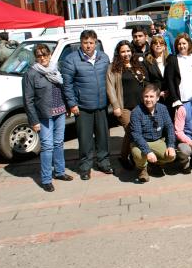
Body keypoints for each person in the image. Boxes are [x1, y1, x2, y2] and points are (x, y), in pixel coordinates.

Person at [60, 30, 114, 180]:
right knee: (85, 139)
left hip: (102, 105)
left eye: (91, 42)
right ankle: (85, 167)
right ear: (81, 43)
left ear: (96, 43)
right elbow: (67, 85)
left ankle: (104, 162)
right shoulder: (71, 60)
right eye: (85, 43)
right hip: (82, 106)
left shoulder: (104, 57)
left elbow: (110, 79)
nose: (88, 46)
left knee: (103, 137)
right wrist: (72, 104)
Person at [23, 44, 73, 192]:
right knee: (47, 146)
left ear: (50, 54)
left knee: (59, 143)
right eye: (39, 55)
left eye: (45, 54)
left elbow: (63, 88)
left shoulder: (56, 68)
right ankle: (46, 179)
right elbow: (28, 100)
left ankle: (60, 172)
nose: (43, 58)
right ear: (35, 57)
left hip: (60, 112)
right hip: (44, 116)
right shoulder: (31, 74)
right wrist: (34, 121)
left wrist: (67, 107)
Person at [106, 40, 147, 170]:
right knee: (131, 130)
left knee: (137, 132)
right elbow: (110, 87)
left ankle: (135, 156)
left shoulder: (137, 65)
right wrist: (115, 106)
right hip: (124, 107)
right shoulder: (113, 67)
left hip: (140, 106)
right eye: (123, 51)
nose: (126, 54)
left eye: (128, 51)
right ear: (118, 53)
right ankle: (124, 157)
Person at [129, 84, 176, 183]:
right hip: (140, 142)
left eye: (151, 96)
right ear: (143, 97)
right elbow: (136, 135)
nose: (148, 99)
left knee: (171, 156)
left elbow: (170, 127)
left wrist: (171, 145)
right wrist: (148, 152)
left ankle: (153, 164)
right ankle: (142, 168)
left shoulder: (163, 109)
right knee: (139, 155)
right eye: (146, 96)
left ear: (157, 98)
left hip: (157, 140)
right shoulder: (136, 112)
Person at [164, 33, 192, 115]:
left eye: (184, 43)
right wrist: (175, 99)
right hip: (181, 100)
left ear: (189, 44)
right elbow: (170, 81)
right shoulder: (173, 59)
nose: (181, 46)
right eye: (179, 44)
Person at [143, 35, 168, 100]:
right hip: (155, 97)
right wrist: (158, 93)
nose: (158, 45)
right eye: (155, 43)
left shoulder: (170, 59)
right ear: (151, 46)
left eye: (161, 43)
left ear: (165, 46)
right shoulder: (147, 62)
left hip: (170, 96)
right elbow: (146, 81)